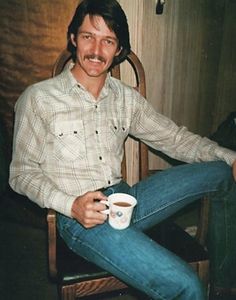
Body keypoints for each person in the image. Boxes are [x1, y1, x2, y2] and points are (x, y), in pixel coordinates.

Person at [9, 0, 236, 299]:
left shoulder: (126, 98)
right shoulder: (38, 99)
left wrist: (231, 156)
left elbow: (175, 139)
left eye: (108, 41)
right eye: (88, 36)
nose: (96, 50)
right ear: (73, 38)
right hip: (82, 219)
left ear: (118, 50)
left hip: (126, 200)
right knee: (186, 285)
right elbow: (21, 174)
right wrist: (70, 205)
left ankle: (223, 284)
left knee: (221, 172)